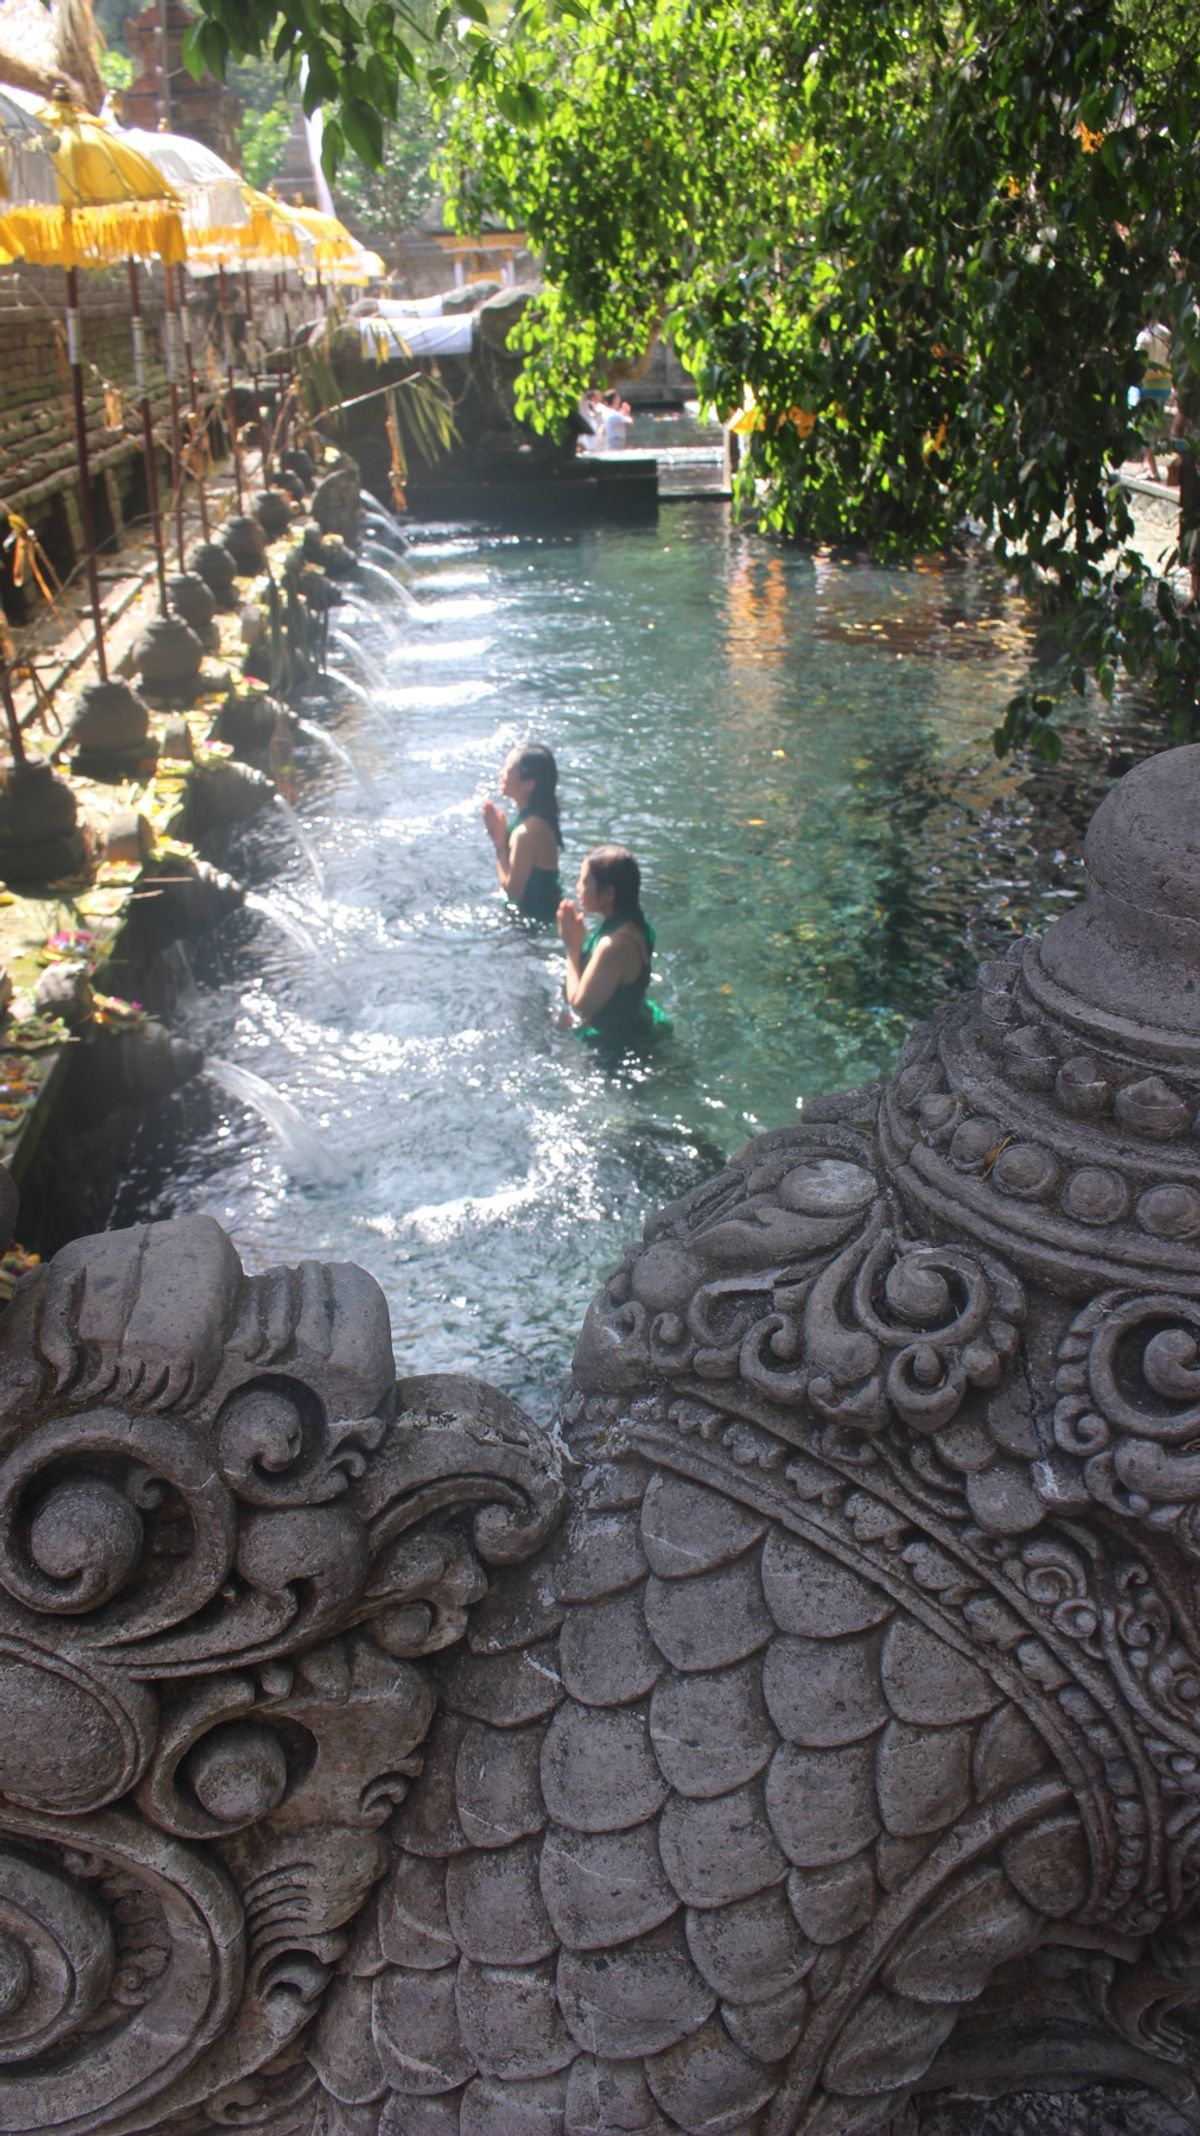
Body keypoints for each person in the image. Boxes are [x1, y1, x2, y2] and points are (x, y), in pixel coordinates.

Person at [557, 844, 667, 1042]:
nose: (578, 887)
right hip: (636, 1018)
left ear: (608, 894)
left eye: (585, 882)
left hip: (617, 1044)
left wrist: (572, 948)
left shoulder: (614, 945)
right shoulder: (633, 924)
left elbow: (581, 1008)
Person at [482, 742, 563, 920]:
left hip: (531, 923)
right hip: (544, 913)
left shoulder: (526, 833)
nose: (501, 773)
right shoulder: (540, 818)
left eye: (508, 769)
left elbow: (513, 893)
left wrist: (499, 844)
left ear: (528, 784)